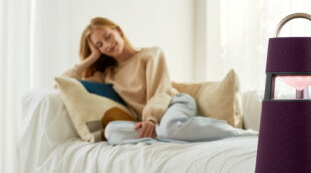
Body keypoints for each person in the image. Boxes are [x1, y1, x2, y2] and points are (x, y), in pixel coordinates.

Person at [62, 17, 257, 145]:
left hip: (172, 104)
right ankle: (166, 136)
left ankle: (241, 134)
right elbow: (64, 82)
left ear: (118, 31)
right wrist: (91, 58)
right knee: (112, 131)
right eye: (100, 45)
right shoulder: (107, 74)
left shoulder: (150, 54)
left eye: (108, 37)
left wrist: (151, 119)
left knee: (170, 126)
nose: (107, 45)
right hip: (149, 123)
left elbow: (160, 91)